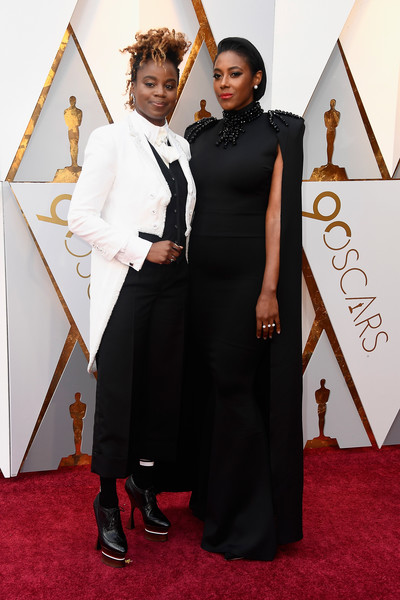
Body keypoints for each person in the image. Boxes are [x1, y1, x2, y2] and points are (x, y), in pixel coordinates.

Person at [68, 28, 194, 568]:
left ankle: (143, 487)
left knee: (161, 395)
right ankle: (106, 504)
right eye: (149, 83)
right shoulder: (110, 139)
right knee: (120, 397)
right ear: (132, 85)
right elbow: (80, 218)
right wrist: (142, 249)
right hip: (129, 287)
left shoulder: (181, 146)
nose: (160, 93)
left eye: (169, 84)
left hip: (175, 288)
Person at [185, 37, 304, 561]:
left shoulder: (280, 131)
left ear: (256, 78)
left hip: (248, 285)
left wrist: (269, 290)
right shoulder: (199, 135)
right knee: (214, 391)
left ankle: (249, 526)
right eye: (217, 74)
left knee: (237, 390)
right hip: (200, 284)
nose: (223, 83)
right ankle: (216, 499)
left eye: (234, 73)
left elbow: (278, 216)